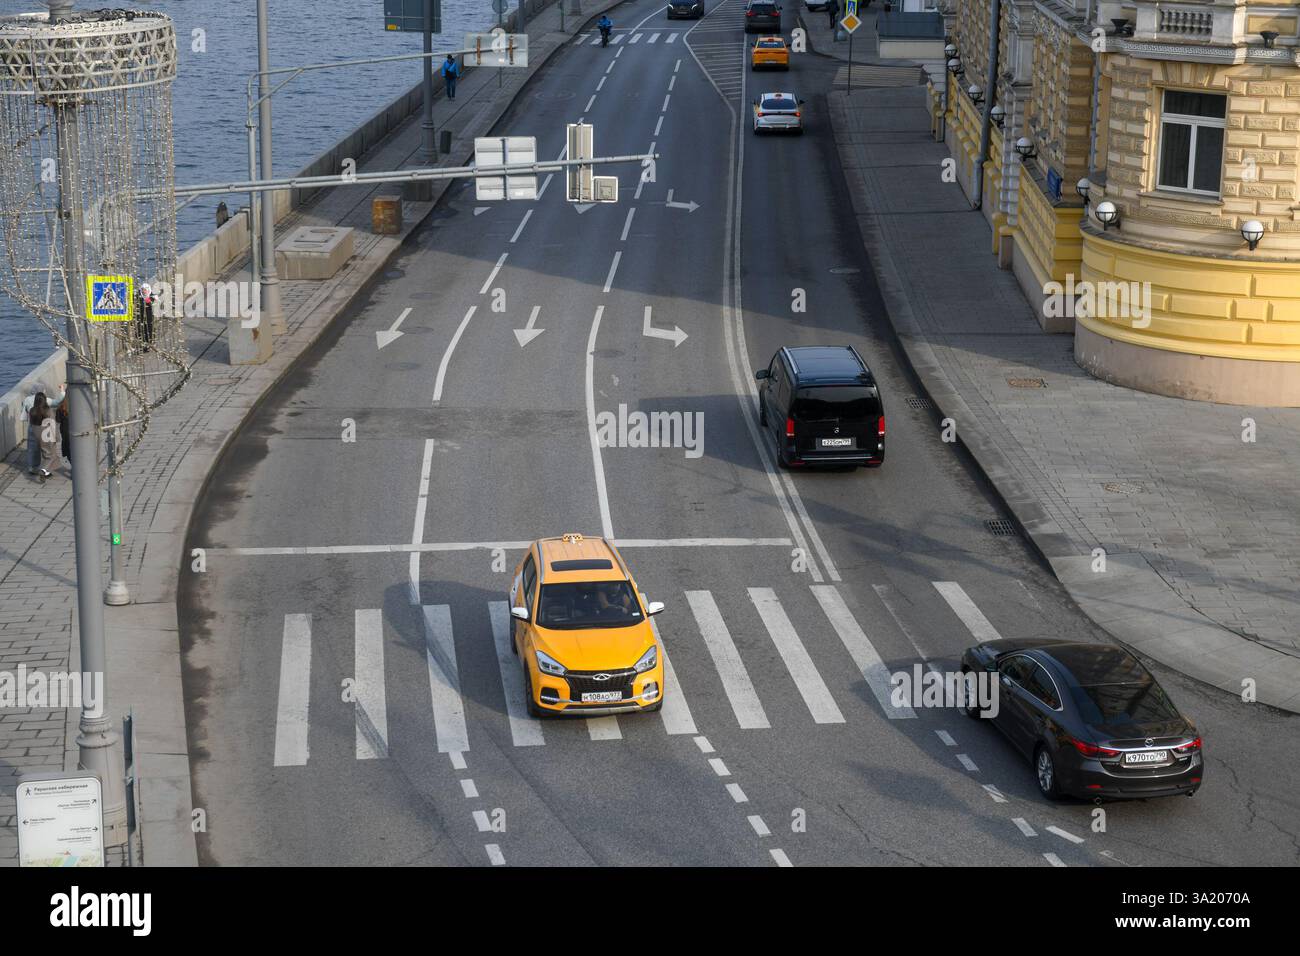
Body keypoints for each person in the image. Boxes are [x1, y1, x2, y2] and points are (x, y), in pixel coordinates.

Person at [22, 382, 64, 475]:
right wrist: (62, 391)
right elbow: (57, 402)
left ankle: (32, 467)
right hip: (45, 430)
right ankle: (46, 470)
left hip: (32, 427)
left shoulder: (27, 400)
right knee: (48, 452)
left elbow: (24, 415)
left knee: (33, 449)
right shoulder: (45, 401)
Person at [29, 392, 60, 481]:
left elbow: (31, 423)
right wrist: (56, 437)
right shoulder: (48, 411)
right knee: (51, 455)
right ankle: (43, 470)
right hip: (47, 434)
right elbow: (52, 424)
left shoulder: (32, 410)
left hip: (37, 433)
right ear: (44, 400)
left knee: (46, 453)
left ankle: (47, 472)